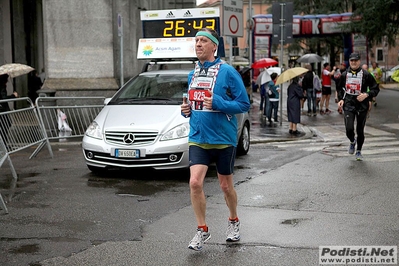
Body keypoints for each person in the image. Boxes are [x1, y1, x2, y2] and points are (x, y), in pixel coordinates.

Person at [180, 28, 250, 251]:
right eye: (196, 41)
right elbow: (194, 104)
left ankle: (233, 221)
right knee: (194, 183)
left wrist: (219, 103)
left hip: (223, 139)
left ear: (214, 46)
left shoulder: (228, 72)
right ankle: (202, 229)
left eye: (203, 41)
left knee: (225, 186)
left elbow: (244, 104)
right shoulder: (193, 74)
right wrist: (186, 110)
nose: (198, 44)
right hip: (198, 137)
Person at [337, 52, 379, 161]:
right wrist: (341, 99)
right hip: (349, 104)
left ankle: (359, 150)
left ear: (359, 62)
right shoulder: (344, 75)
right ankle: (352, 141)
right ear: (349, 62)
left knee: (360, 130)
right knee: (349, 128)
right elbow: (340, 88)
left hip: (362, 105)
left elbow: (375, 88)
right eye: (352, 61)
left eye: (356, 61)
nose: (354, 62)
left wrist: (366, 95)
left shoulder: (366, 74)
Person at [0, 74, 18, 144]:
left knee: (5, 125)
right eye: (7, 79)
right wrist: (13, 95)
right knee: (6, 125)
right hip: (2, 109)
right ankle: (4, 144)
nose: (8, 81)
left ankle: (3, 144)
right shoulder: (2, 86)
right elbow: (4, 98)